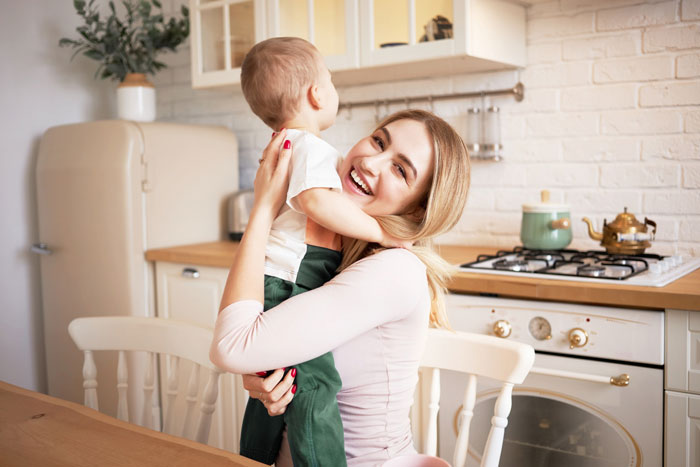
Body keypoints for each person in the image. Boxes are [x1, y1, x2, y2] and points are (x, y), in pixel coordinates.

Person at [211, 109, 471, 466]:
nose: (370, 162)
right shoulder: (332, 249)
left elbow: (232, 346)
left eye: (399, 169)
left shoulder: (395, 270)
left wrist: (263, 207)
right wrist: (266, 377)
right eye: (379, 141)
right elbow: (257, 348)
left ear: (415, 213)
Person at [237, 37, 407, 466]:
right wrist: (382, 233)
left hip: (276, 277)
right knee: (315, 385)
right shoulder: (309, 146)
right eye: (330, 80)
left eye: (401, 168)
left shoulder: (285, 145)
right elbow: (316, 202)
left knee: (283, 379)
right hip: (290, 279)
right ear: (316, 93)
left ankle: (253, 456)